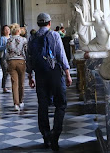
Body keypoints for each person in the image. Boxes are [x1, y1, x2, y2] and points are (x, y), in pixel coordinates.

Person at [27, 13, 72, 151]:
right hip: (54, 73)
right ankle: (55, 135)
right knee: (61, 104)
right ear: (49, 23)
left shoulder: (32, 37)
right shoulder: (54, 35)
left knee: (43, 105)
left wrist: (30, 76)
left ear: (38, 23)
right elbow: (61, 55)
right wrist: (67, 74)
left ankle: (45, 135)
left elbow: (29, 57)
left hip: (40, 74)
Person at [6, 24, 28, 111]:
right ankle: (21, 101)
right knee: (21, 83)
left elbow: (7, 52)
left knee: (14, 83)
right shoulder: (23, 40)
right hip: (21, 61)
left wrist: (7, 62)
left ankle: (16, 103)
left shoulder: (9, 40)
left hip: (11, 61)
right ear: (18, 31)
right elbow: (26, 51)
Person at [0, 25, 10, 93]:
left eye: (8, 29)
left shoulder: (11, 38)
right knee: (5, 72)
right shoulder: (2, 38)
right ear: (3, 31)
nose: (7, 31)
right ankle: (4, 86)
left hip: (11, 57)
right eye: (5, 30)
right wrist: (6, 45)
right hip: (4, 57)